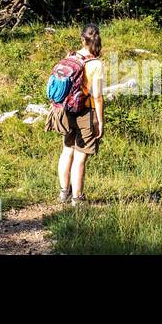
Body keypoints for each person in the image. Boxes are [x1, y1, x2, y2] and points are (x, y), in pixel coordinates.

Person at [57, 24, 104, 206]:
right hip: (85, 111)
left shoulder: (71, 57)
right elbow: (97, 96)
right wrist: (100, 121)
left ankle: (64, 192)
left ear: (82, 39)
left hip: (67, 110)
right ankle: (77, 198)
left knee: (67, 151)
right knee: (81, 155)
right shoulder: (96, 64)